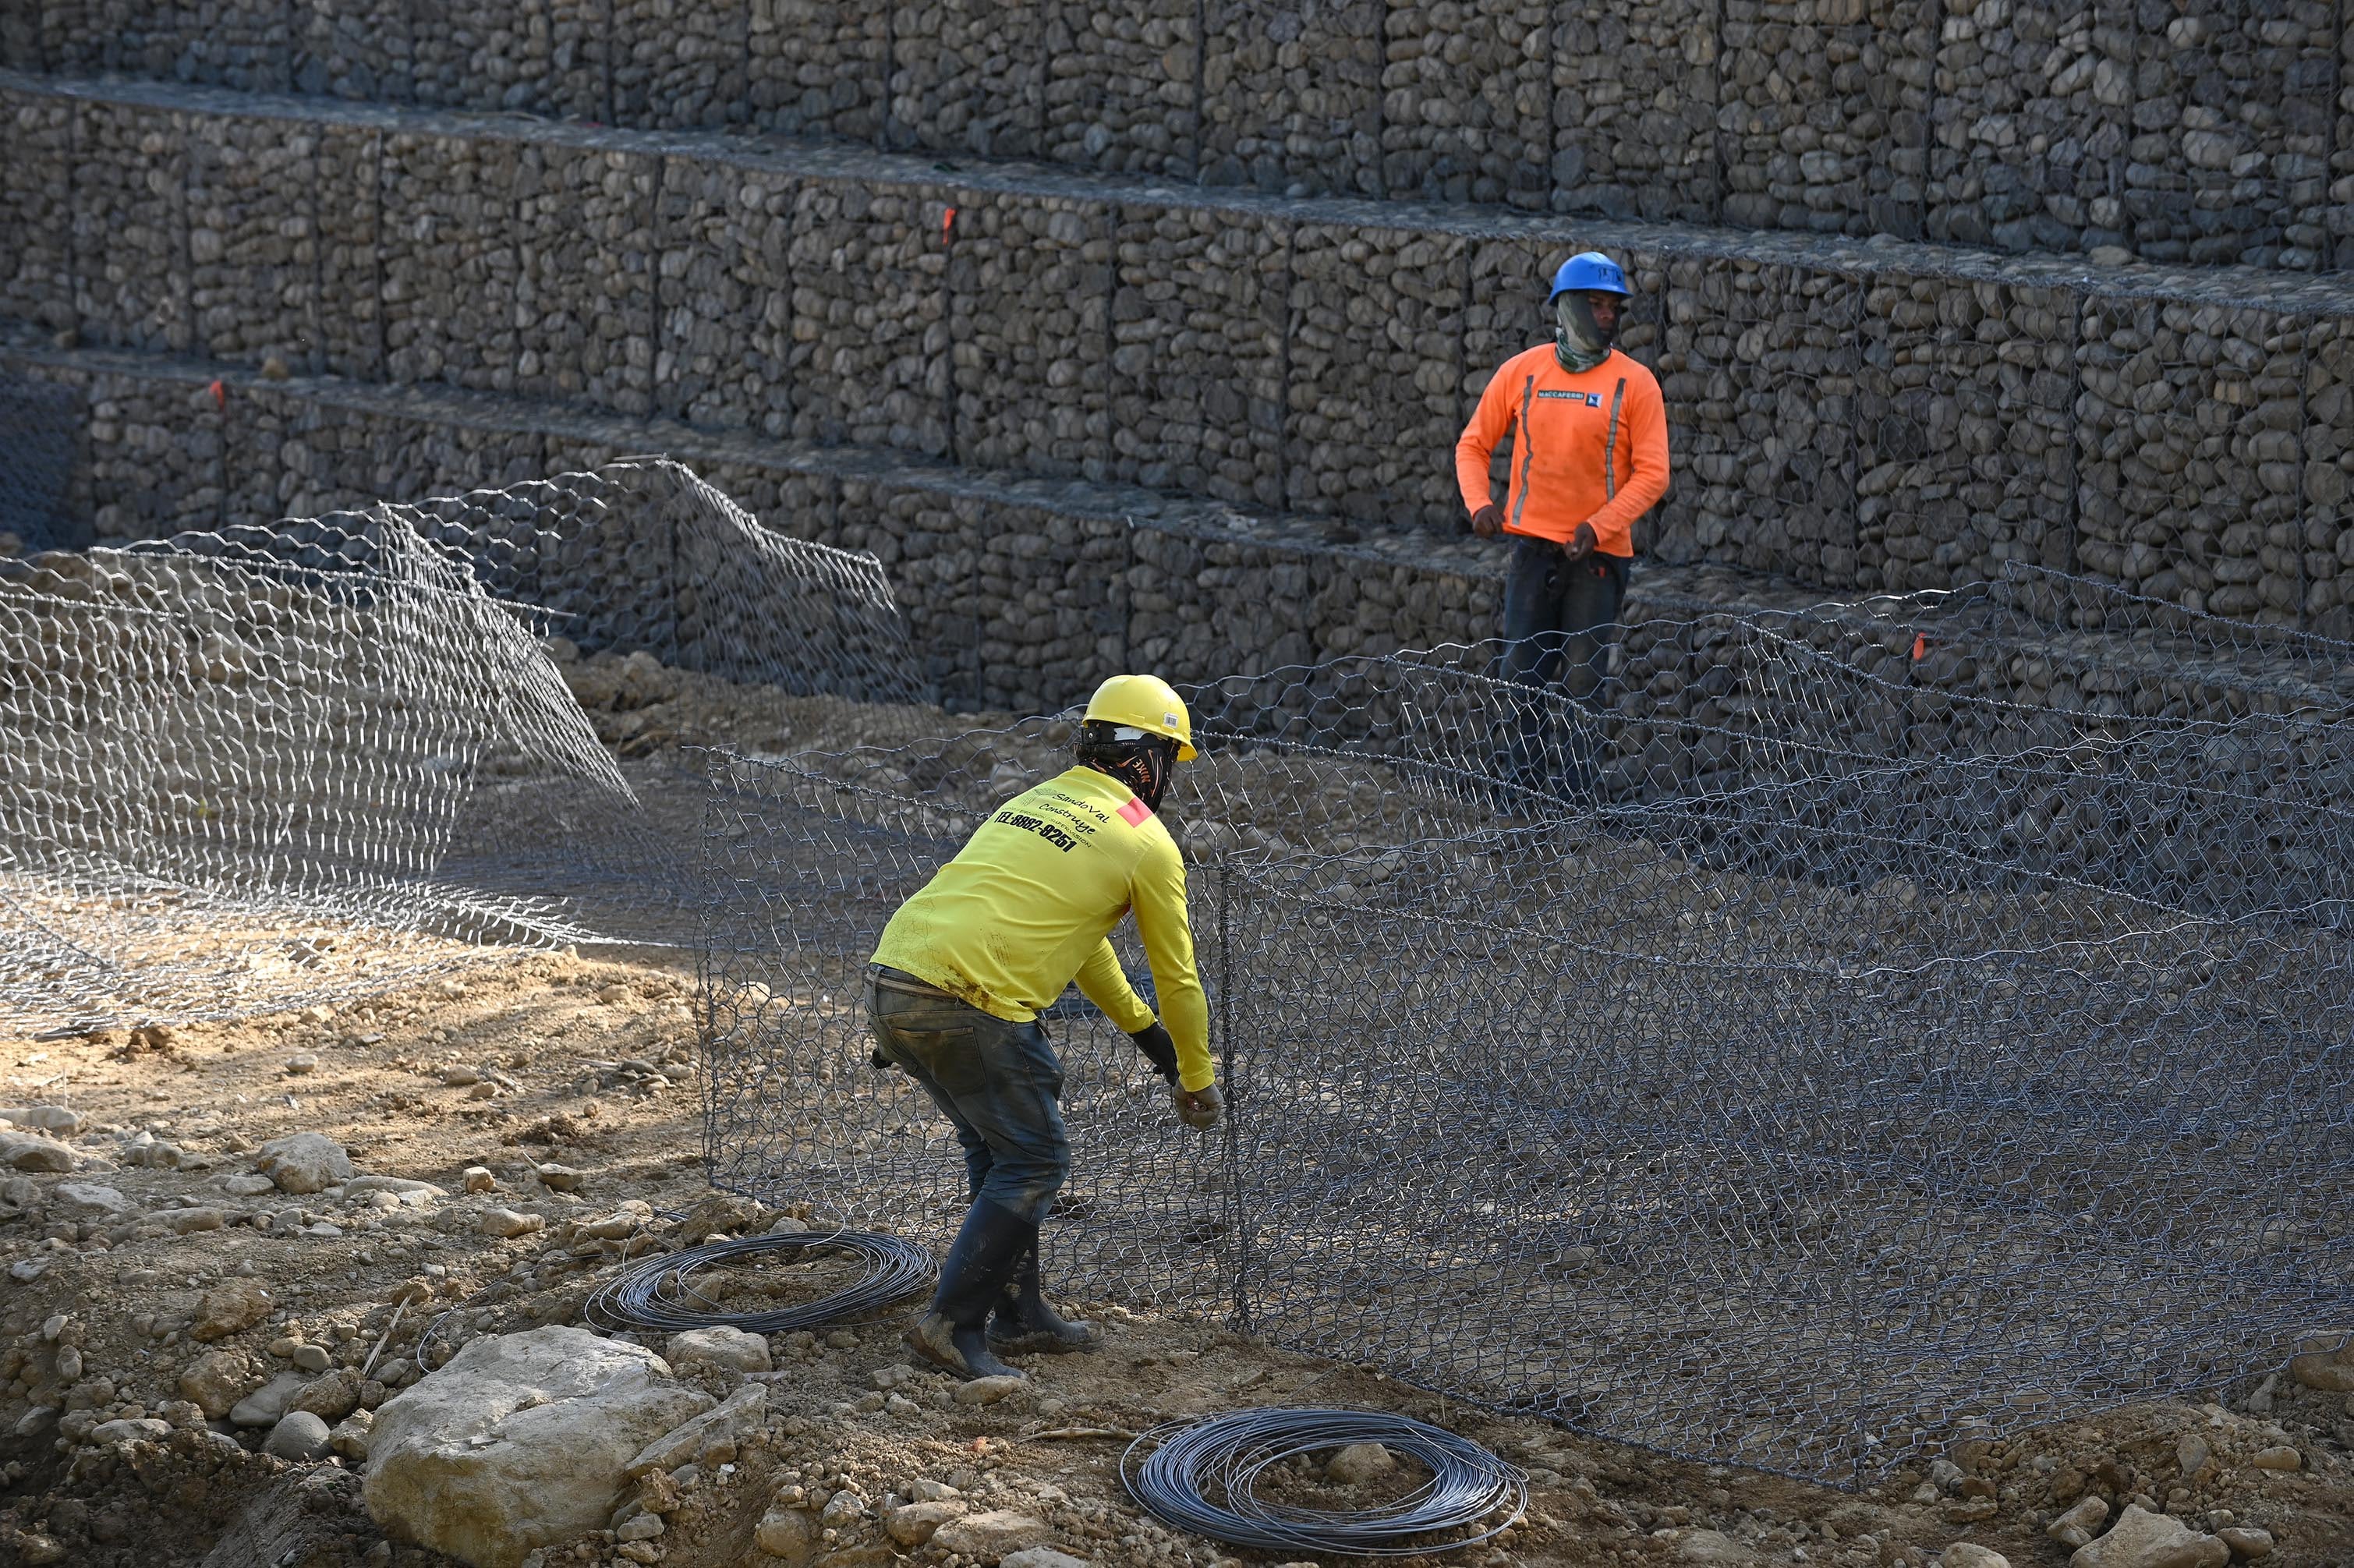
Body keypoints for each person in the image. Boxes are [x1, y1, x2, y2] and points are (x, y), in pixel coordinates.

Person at [865, 673, 1224, 1380]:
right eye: (1169, 760)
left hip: (894, 978)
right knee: (1034, 1159)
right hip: (967, 999)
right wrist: (1196, 1074)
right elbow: (1179, 977)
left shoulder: (1035, 799)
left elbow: (1084, 944)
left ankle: (1019, 1314)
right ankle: (950, 1324)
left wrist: (1149, 1038)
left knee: (998, 1149)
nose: (1168, 778)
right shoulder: (1145, 841)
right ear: (1146, 758)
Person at [1454, 251, 1671, 791]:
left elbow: (1653, 474)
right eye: (1594, 305)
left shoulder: (1635, 383)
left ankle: (1578, 803)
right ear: (1566, 307)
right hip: (1533, 552)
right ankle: (1522, 796)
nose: (1607, 315)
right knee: (1520, 675)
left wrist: (1598, 527)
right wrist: (1479, 504)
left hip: (1597, 559)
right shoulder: (1523, 371)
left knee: (1582, 681)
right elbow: (1472, 444)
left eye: (1613, 307)